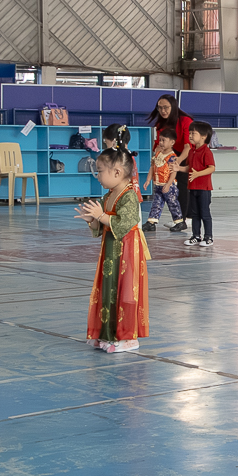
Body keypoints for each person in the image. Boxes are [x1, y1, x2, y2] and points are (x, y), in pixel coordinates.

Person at [79, 146, 151, 354]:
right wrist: (92, 220)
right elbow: (103, 226)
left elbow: (125, 223)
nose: (98, 176)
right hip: (111, 250)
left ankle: (128, 337)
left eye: (101, 171)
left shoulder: (129, 195)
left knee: (125, 291)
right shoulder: (110, 194)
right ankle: (107, 333)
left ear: (117, 172)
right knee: (109, 290)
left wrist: (101, 217)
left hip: (128, 251)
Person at [147, 94, 193, 218]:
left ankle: (184, 218)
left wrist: (177, 161)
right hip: (170, 155)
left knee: (182, 185)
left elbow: (187, 146)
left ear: (173, 107)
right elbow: (158, 145)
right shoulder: (160, 124)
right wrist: (157, 158)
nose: (163, 111)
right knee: (167, 186)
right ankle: (177, 218)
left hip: (185, 155)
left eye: (166, 107)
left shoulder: (185, 121)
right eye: (160, 108)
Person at [182, 121, 216, 246]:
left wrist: (198, 174)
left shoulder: (206, 152)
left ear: (203, 136)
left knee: (204, 213)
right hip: (192, 187)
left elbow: (211, 168)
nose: (190, 135)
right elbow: (189, 168)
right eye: (190, 133)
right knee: (194, 214)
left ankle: (208, 237)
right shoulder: (191, 151)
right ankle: (196, 235)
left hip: (204, 188)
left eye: (193, 133)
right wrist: (178, 169)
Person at [144, 135, 183, 231]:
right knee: (156, 203)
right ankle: (151, 222)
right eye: (160, 140)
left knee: (173, 204)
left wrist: (169, 184)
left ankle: (179, 222)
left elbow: (174, 172)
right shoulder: (157, 154)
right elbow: (152, 168)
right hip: (158, 185)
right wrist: (148, 180)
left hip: (168, 186)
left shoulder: (172, 157)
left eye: (163, 140)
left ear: (172, 142)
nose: (161, 142)